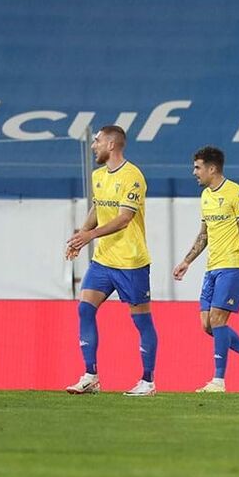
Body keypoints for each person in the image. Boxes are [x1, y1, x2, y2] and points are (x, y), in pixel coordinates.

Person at [64, 125, 160, 396]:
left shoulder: (133, 176)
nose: (93, 145)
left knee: (141, 322)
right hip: (103, 260)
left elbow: (124, 218)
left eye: (97, 141)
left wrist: (89, 235)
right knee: (84, 309)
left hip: (131, 261)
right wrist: (82, 236)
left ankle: (148, 381)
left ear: (111, 145)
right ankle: (90, 376)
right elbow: (99, 207)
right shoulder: (98, 176)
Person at [172, 146, 239, 393]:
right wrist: (187, 261)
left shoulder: (236, 193)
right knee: (208, 325)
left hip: (234, 265)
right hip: (212, 267)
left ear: (212, 168)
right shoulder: (206, 196)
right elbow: (204, 234)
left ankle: (218, 381)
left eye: (197, 167)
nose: (194, 172)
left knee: (218, 320)